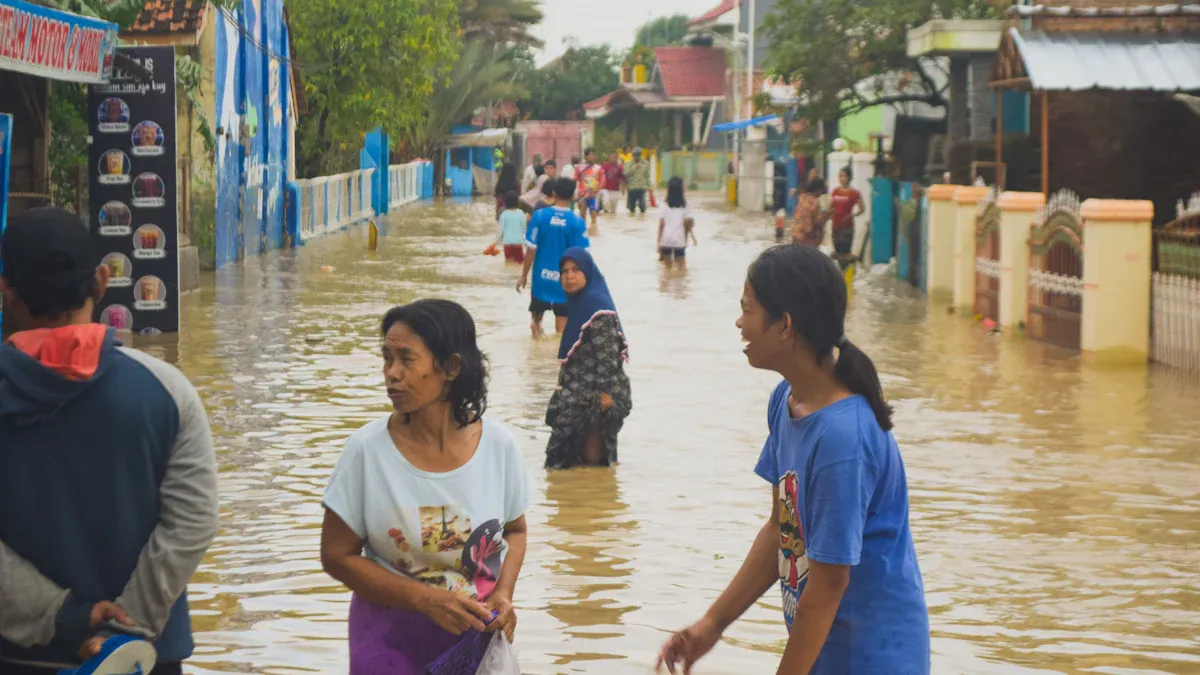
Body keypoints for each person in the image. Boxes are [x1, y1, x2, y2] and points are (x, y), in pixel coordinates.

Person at [657, 244, 928, 675]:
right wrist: (711, 625)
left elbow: (828, 587)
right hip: (823, 652)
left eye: (747, 309)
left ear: (784, 325)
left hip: (872, 659)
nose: (739, 322)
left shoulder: (843, 438)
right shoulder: (786, 400)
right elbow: (780, 528)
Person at [0, 208, 220, 674]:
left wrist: (62, 617)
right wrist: (124, 630)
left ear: (6, 292)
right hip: (144, 659)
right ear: (101, 281)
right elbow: (192, 523)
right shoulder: (167, 391)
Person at [321, 300, 532, 674]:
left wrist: (503, 594)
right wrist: (424, 599)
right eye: (387, 358)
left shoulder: (499, 447)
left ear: (451, 367)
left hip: (474, 637)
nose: (391, 373)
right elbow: (336, 556)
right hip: (387, 637)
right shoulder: (366, 452)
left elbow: (515, 531)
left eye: (406, 359)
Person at [545, 248, 631, 470]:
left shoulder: (597, 309)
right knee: (573, 462)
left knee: (583, 462)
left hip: (593, 400)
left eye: (576, 270)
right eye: (564, 271)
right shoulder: (581, 304)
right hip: (577, 393)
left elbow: (608, 357)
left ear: (588, 272)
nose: (569, 276)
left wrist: (603, 398)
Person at [517, 178, 589, 339]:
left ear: (554, 193)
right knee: (561, 335)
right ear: (573, 196)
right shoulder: (577, 221)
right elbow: (581, 257)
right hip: (565, 280)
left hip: (541, 279)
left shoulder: (539, 216)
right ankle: (555, 362)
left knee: (536, 326)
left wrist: (523, 276)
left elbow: (530, 250)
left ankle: (535, 361)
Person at [657, 177, 695, 268]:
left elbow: (661, 225)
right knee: (682, 267)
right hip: (679, 240)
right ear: (681, 190)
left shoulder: (664, 206)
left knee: (667, 268)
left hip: (666, 240)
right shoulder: (685, 207)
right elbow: (687, 225)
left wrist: (658, 242)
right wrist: (685, 240)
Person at [829, 167, 864, 260]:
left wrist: (852, 215)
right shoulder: (835, 191)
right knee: (837, 253)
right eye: (840, 176)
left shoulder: (855, 193)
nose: (842, 178)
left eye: (844, 176)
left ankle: (847, 273)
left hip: (847, 227)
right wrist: (830, 214)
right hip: (835, 226)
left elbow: (862, 209)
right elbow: (831, 206)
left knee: (846, 255)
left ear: (849, 177)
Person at [792, 178, 829, 247]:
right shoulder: (815, 202)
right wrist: (827, 215)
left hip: (795, 235)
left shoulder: (802, 197)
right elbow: (817, 223)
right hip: (807, 239)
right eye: (821, 191)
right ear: (818, 189)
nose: (821, 194)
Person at [492, 191, 527, 264]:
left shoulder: (504, 214)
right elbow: (524, 229)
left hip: (507, 244)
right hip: (518, 243)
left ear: (505, 203)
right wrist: (526, 242)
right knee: (519, 263)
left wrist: (495, 242)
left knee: (508, 262)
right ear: (518, 202)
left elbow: (500, 231)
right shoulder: (521, 213)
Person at [575, 148, 602, 230]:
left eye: (593, 154)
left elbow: (603, 179)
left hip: (593, 194)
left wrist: (597, 189)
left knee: (593, 211)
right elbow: (575, 179)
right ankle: (582, 229)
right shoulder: (579, 168)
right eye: (590, 154)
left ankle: (594, 227)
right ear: (585, 156)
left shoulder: (598, 168)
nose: (592, 156)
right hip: (582, 194)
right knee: (582, 211)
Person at [624, 148, 651, 215]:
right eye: (635, 155)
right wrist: (634, 167)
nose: (636, 157)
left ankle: (642, 219)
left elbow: (647, 175)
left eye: (638, 155)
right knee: (631, 208)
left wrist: (649, 186)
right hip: (632, 188)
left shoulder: (645, 163)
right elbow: (625, 174)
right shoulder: (628, 163)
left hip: (642, 188)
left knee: (643, 206)